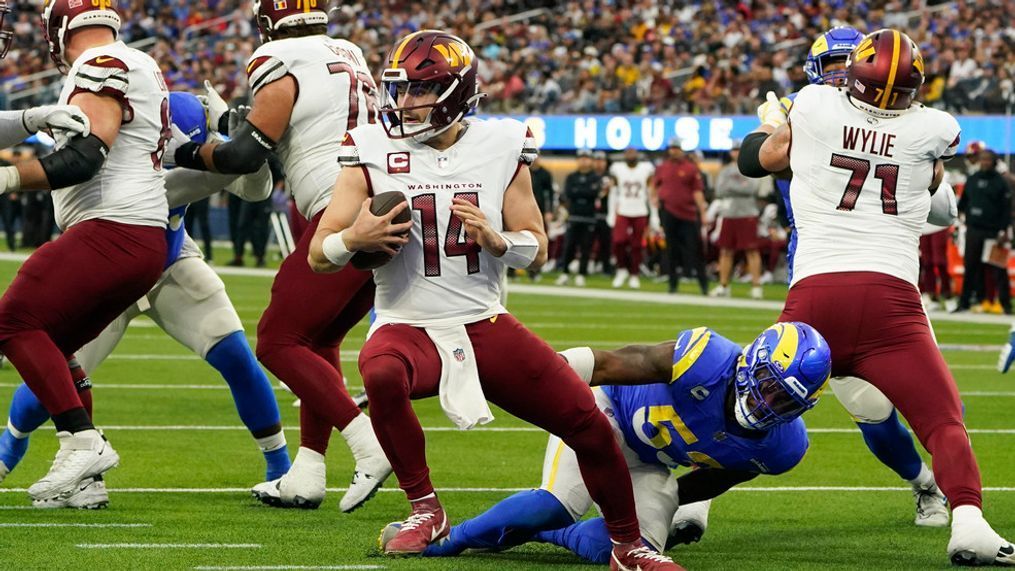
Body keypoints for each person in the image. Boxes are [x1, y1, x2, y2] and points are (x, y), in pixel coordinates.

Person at [308, 30, 681, 570]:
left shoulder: (502, 143)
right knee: (380, 372)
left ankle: (628, 544)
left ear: (456, 92)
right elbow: (320, 253)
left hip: (484, 320)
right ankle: (424, 509)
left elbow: (538, 247)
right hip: (406, 324)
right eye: (400, 90)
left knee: (589, 426)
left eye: (419, 90)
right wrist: (352, 240)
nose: (403, 103)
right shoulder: (368, 148)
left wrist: (500, 240)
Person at [738, 28, 1013, 565]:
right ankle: (970, 520)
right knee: (941, 420)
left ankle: (687, 506)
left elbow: (761, 158)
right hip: (891, 297)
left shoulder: (813, 105)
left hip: (816, 293)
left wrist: (773, 126)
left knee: (753, 409)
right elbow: (931, 181)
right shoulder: (936, 127)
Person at [669, 26, 950, 543]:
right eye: (834, 64)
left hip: (876, 273)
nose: (843, 72)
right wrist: (781, 126)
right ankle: (698, 502)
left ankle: (925, 481)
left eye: (852, 61)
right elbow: (755, 160)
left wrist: (924, 172)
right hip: (814, 274)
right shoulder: (816, 110)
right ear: (817, 72)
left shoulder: (889, 122)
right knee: (759, 394)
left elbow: (945, 209)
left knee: (873, 408)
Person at [0, 92, 290, 508]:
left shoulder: (164, 154)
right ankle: (14, 446)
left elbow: (255, 187)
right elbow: (238, 180)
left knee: (236, 356)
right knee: (54, 363)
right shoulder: (121, 159)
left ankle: (280, 468)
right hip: (109, 270)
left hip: (171, 264)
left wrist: (241, 141)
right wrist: (240, 147)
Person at [172, 1, 390, 512]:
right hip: (377, 201)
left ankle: (369, 443)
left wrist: (187, 151)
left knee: (276, 340)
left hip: (343, 209)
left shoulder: (277, 55)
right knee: (319, 340)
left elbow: (246, 156)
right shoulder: (349, 51)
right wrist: (241, 122)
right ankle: (308, 472)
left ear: (268, 19)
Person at [413, 323, 831, 564]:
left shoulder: (783, 447)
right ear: (750, 362)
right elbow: (612, 362)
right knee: (555, 503)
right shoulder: (706, 359)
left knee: (627, 549)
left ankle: (549, 535)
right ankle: (452, 539)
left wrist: (668, 506)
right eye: (768, 386)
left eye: (786, 401)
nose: (768, 404)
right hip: (606, 416)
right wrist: (540, 376)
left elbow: (719, 478)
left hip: (649, 462)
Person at [0, 0, 170, 505]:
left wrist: (8, 176)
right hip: (137, 235)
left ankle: (83, 440)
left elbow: (83, 159)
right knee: (52, 344)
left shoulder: (100, 65)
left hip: (113, 226)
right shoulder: (137, 63)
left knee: (12, 322)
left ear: (57, 29)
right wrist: (32, 116)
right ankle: (86, 481)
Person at [956, 149, 1012, 314]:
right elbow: (964, 202)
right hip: (974, 230)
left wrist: (1003, 230)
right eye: (982, 159)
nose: (985, 162)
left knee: (998, 269)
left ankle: (1006, 304)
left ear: (994, 161)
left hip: (993, 232)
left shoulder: (1000, 183)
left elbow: (1006, 209)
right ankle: (965, 302)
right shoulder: (972, 179)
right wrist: (960, 215)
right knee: (971, 266)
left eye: (988, 159)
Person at [710, 141, 765, 299]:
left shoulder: (751, 167)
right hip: (729, 213)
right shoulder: (725, 170)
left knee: (751, 250)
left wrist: (732, 186)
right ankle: (723, 285)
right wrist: (738, 185)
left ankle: (756, 285)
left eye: (738, 149)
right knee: (725, 250)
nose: (735, 152)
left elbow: (751, 189)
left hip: (747, 213)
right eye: (733, 150)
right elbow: (719, 191)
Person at [652, 138, 707, 294]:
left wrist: (702, 212)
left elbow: (697, 192)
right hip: (668, 212)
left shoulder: (690, 168)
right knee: (671, 250)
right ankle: (672, 284)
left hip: (688, 214)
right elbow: (655, 185)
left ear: (681, 150)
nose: (674, 150)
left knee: (694, 249)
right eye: (671, 148)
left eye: (676, 148)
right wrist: (654, 198)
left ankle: (702, 283)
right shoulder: (662, 167)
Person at [554, 149, 601, 287]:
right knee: (569, 246)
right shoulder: (571, 177)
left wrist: (580, 192)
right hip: (574, 216)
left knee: (586, 247)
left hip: (588, 217)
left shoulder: (595, 177)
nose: (584, 161)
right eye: (581, 158)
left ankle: (581, 273)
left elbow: (593, 193)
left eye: (586, 158)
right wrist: (584, 192)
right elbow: (569, 193)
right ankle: (565, 273)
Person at [609, 148, 654, 289]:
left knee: (637, 245)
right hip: (623, 209)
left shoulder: (646, 169)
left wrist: (654, 216)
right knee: (619, 241)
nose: (631, 155)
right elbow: (613, 192)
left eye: (633, 153)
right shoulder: (618, 169)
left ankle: (634, 274)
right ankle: (621, 269)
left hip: (640, 210)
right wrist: (611, 213)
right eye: (628, 153)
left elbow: (650, 193)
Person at [528, 155, 556, 281]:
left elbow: (550, 194)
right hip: (523, 209)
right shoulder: (524, 170)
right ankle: (512, 271)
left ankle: (535, 271)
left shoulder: (545, 174)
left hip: (540, 210)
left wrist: (549, 211)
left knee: (539, 240)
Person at [593, 150, 614, 276]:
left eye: (602, 161)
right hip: (590, 214)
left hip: (606, 214)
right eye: (597, 161)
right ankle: (586, 266)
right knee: (586, 243)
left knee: (606, 243)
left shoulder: (610, 177)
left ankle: (606, 267)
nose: (599, 164)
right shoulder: (590, 176)